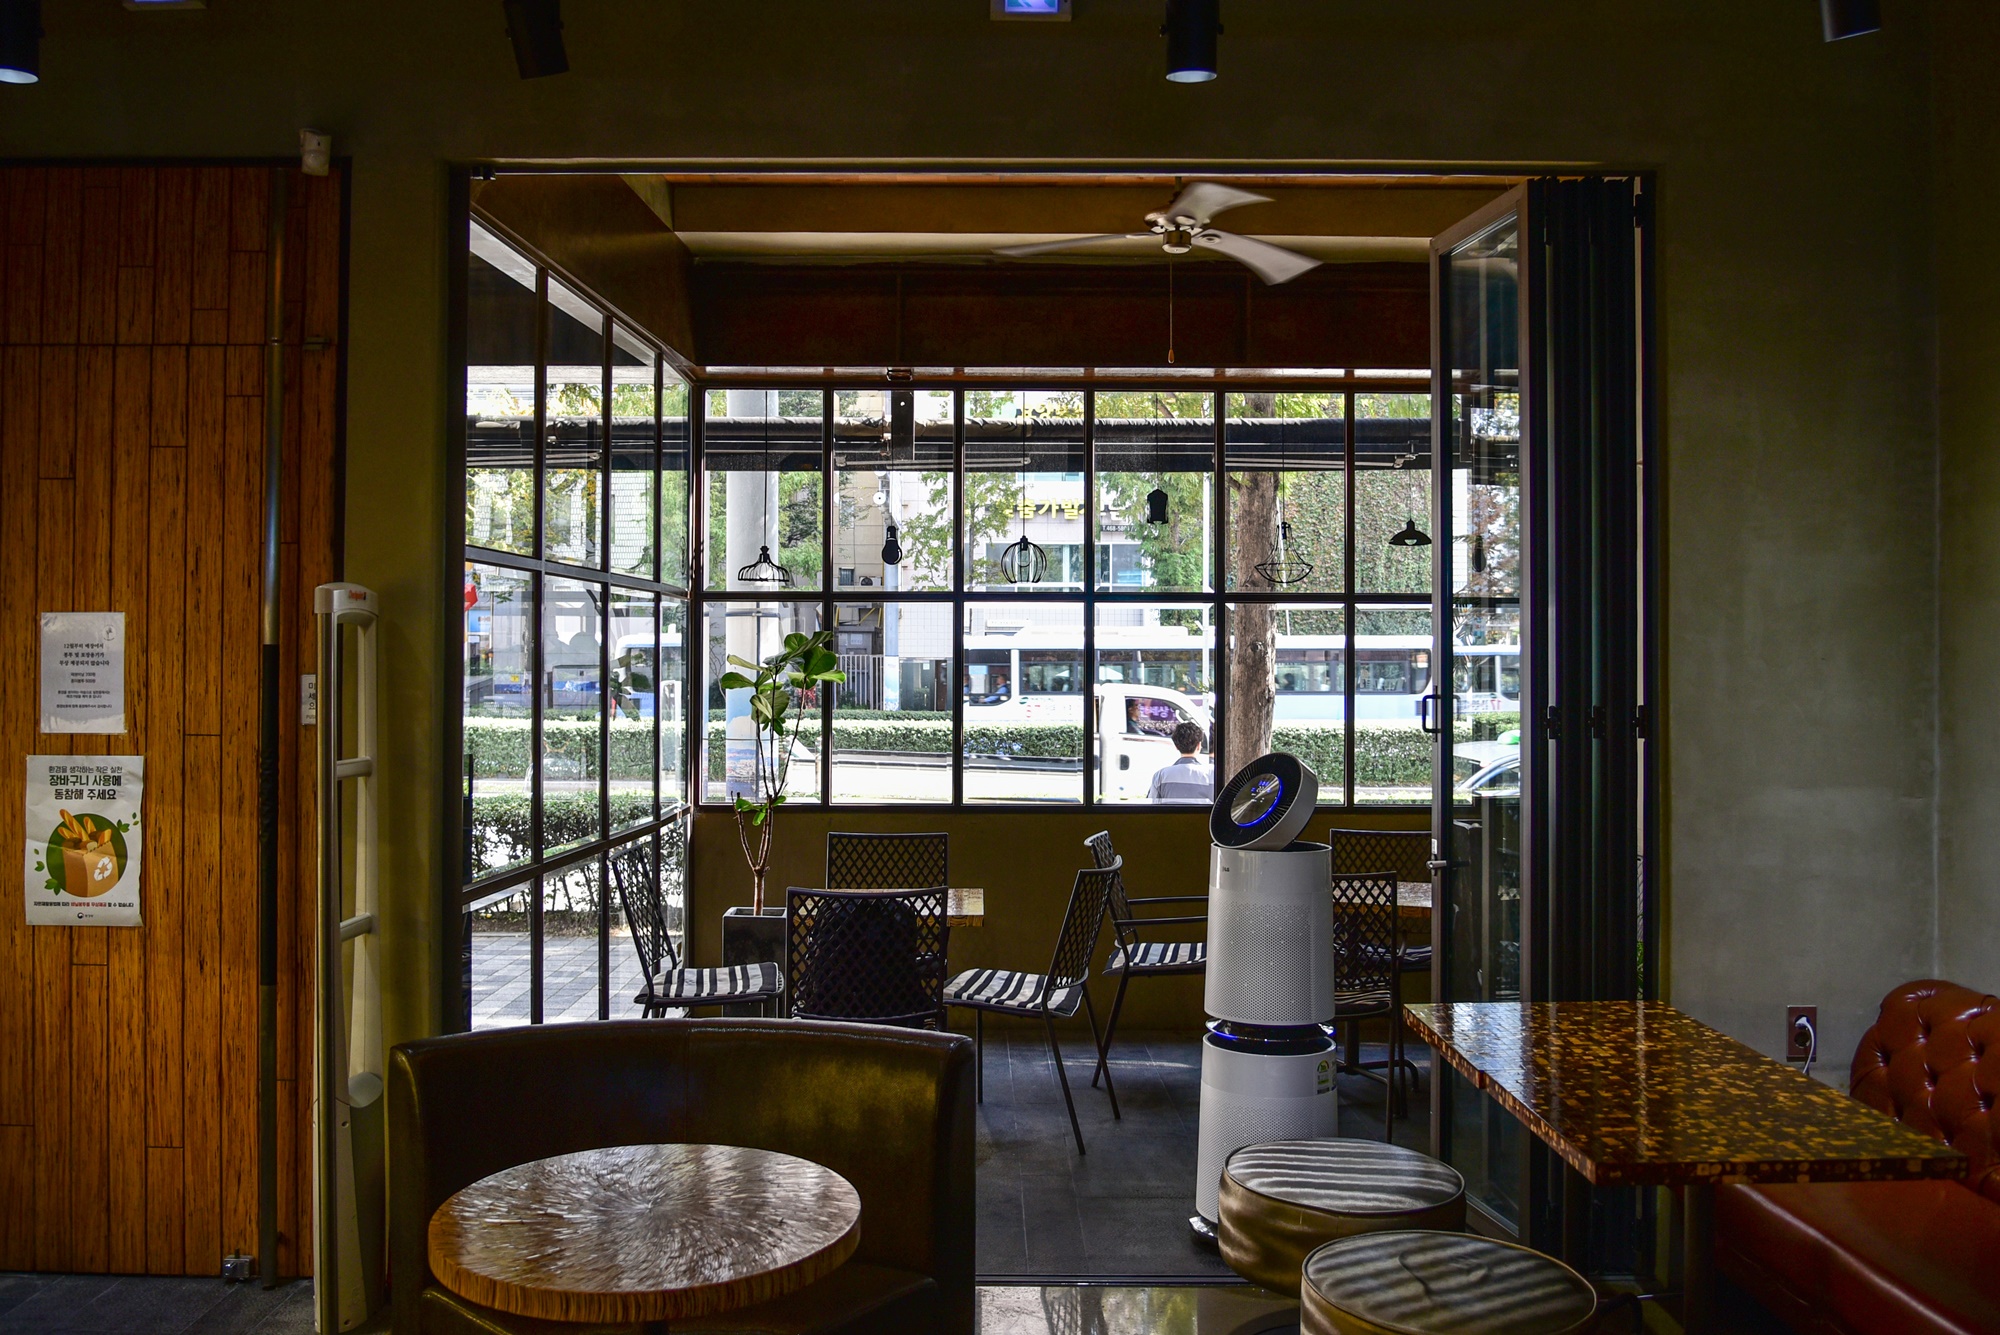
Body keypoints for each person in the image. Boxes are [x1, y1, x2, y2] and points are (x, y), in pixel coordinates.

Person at [1147, 721, 1215, 804]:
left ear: (1176, 746)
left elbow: (1152, 804)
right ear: (1199, 746)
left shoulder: (1160, 775)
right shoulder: (1211, 774)